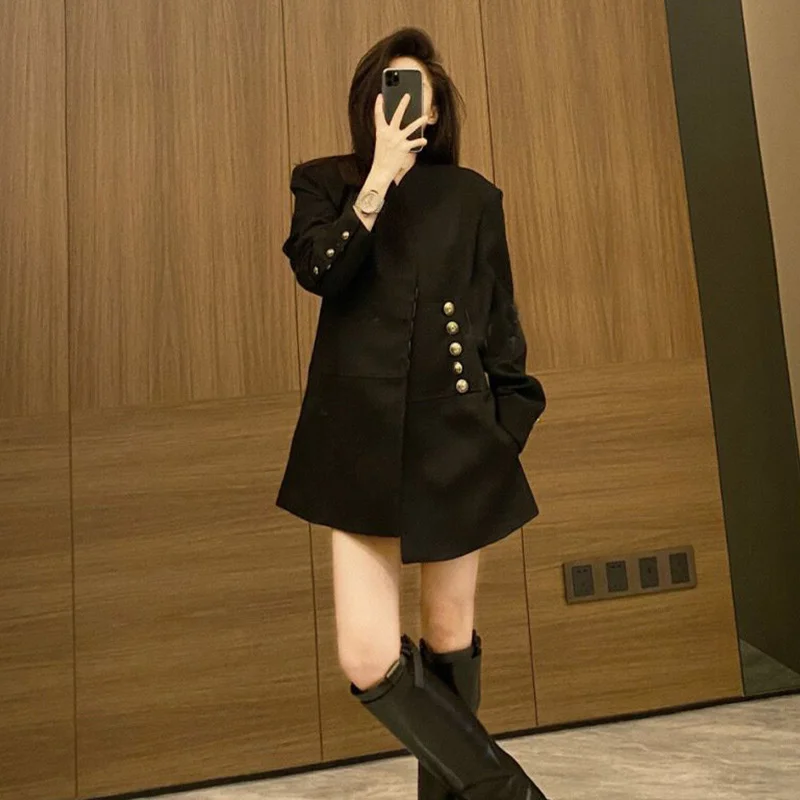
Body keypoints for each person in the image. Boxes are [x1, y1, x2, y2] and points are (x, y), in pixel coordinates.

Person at [277, 26, 549, 800]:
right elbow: (320, 270)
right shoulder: (324, 181)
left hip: (456, 443)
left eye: (414, 91)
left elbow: (500, 327)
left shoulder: (472, 197)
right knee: (368, 657)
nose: (399, 104)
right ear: (368, 103)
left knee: (448, 637)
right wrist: (379, 179)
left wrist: (499, 437)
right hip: (357, 444)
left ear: (434, 109)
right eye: (386, 89)